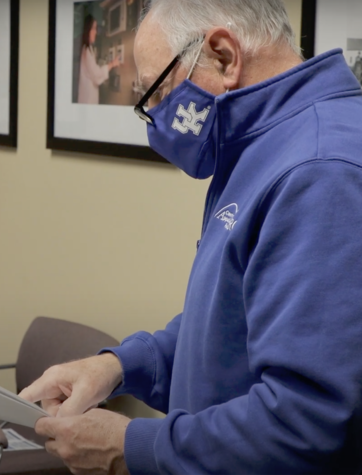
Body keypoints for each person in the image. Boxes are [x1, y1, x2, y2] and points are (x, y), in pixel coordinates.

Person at [21, 0, 362, 473]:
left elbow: (306, 421)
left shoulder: (321, 171)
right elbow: (231, 322)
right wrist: (120, 366)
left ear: (223, 55)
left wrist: (132, 446)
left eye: (157, 95)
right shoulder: (264, 144)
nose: (156, 123)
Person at [77, 14, 120, 104]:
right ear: (87, 30)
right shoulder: (86, 52)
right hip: (87, 101)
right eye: (93, 28)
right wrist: (112, 64)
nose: (95, 32)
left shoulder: (89, 50)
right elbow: (96, 74)